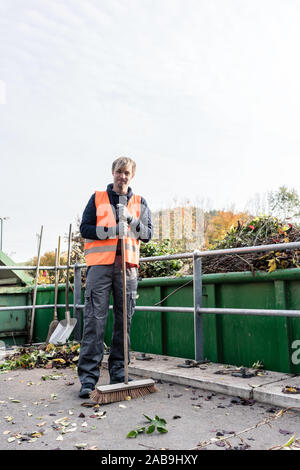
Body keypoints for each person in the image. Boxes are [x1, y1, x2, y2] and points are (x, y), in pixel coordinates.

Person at [78, 157, 152, 398]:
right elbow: (85, 228)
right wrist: (109, 232)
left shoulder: (140, 202)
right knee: (94, 321)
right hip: (100, 267)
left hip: (127, 268)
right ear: (113, 173)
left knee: (124, 322)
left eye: (127, 173)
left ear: (132, 176)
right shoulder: (98, 198)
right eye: (119, 172)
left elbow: (148, 234)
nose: (123, 176)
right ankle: (88, 380)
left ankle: (119, 375)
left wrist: (131, 220)